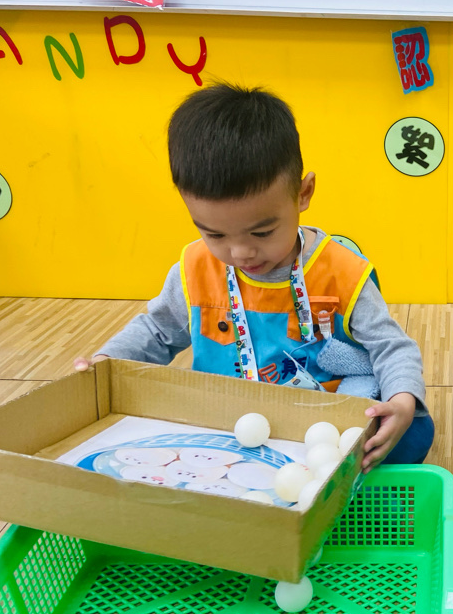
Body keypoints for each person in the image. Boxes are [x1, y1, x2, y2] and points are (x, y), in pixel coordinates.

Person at [74, 83, 432, 470]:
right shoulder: (194, 269)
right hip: (223, 422)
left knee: (412, 430)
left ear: (303, 193)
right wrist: (106, 360)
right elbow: (156, 332)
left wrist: (401, 399)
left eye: (261, 233)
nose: (240, 252)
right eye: (215, 235)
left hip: (319, 425)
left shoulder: (343, 272)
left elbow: (392, 347)